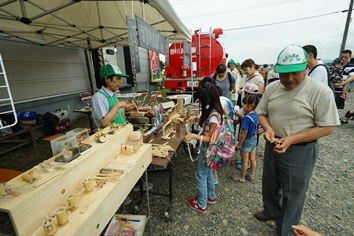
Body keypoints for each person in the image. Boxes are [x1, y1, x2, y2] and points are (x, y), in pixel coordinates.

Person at [254, 45, 339, 236]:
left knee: (293, 192)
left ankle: (286, 230)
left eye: (295, 73)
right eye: (284, 74)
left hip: (300, 149)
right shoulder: (274, 87)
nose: (289, 79)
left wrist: (292, 139)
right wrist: (268, 129)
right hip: (273, 144)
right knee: (270, 182)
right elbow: (261, 113)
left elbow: (328, 127)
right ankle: (271, 210)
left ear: (306, 68)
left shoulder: (320, 92)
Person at [183, 82, 224, 213]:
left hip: (208, 150)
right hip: (212, 151)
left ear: (208, 99)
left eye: (200, 98)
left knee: (201, 175)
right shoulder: (216, 110)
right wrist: (196, 118)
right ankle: (211, 196)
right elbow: (207, 125)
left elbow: (210, 138)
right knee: (208, 173)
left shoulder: (213, 116)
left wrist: (193, 136)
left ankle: (201, 204)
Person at [91, 64, 137, 128]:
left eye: (120, 79)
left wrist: (127, 109)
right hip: (110, 136)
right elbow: (104, 122)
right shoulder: (98, 97)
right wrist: (118, 105)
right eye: (118, 78)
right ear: (107, 79)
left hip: (121, 131)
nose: (121, 82)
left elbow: (115, 113)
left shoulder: (113, 93)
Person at [232, 94, 259, 183]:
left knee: (245, 161)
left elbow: (244, 132)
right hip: (253, 139)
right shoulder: (256, 115)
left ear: (250, 106)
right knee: (253, 159)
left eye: (244, 104)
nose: (243, 106)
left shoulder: (247, 118)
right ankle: (251, 175)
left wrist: (239, 144)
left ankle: (241, 177)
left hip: (246, 141)